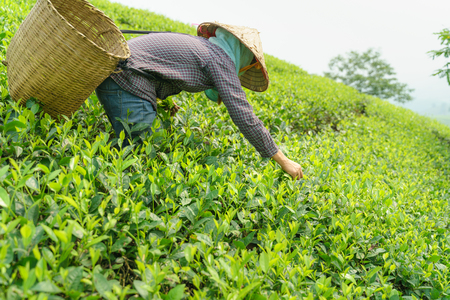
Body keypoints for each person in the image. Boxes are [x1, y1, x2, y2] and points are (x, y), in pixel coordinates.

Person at [95, 22, 303, 180]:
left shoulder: (204, 48)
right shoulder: (220, 59)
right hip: (125, 77)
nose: (243, 69)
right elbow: (243, 115)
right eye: (249, 64)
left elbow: (159, 67)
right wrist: (284, 161)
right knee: (140, 157)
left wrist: (162, 101)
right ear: (243, 54)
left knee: (137, 151)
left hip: (122, 75)